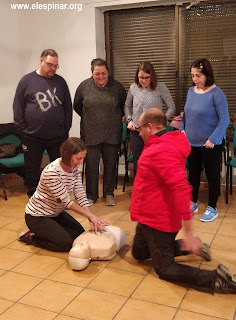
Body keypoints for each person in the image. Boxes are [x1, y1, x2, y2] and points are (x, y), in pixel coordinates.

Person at [130, 108, 236, 294]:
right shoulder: (162, 141)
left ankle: (217, 279)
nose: (138, 133)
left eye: (140, 128)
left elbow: (180, 189)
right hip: (146, 215)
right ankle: (189, 248)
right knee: (138, 253)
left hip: (159, 221)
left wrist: (189, 233)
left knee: (164, 269)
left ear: (150, 126)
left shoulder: (161, 149)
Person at [18, 137, 109, 252]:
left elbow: (80, 193)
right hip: (37, 217)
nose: (81, 162)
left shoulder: (73, 168)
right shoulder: (52, 172)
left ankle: (47, 232)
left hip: (56, 213)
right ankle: (32, 237)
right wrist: (90, 216)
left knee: (79, 235)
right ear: (67, 155)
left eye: (82, 158)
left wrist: (89, 215)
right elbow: (67, 202)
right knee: (66, 244)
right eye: (78, 159)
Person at [13, 49, 72, 198]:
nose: (53, 68)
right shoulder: (26, 81)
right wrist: (23, 131)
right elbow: (18, 108)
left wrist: (65, 129)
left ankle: (59, 198)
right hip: (32, 137)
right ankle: (34, 198)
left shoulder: (60, 82)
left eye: (56, 66)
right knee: (32, 170)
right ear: (41, 61)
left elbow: (67, 107)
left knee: (59, 169)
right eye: (50, 64)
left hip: (57, 137)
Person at [180, 58, 229, 222]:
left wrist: (213, 139)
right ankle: (192, 202)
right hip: (191, 143)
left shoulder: (217, 93)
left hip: (210, 144)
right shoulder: (191, 91)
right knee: (192, 174)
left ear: (207, 75)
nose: (195, 79)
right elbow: (186, 114)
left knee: (212, 176)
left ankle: (212, 207)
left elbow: (224, 120)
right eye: (193, 76)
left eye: (198, 76)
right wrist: (182, 131)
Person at [73, 58, 126, 206]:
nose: (101, 76)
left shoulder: (117, 87)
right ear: (92, 73)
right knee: (91, 166)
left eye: (104, 73)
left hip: (112, 133)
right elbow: (77, 106)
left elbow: (123, 105)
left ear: (108, 72)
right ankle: (91, 195)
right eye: (97, 74)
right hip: (90, 134)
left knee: (110, 165)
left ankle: (109, 194)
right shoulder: (84, 87)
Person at [124, 61, 175, 175]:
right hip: (137, 132)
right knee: (139, 163)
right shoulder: (133, 88)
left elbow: (171, 107)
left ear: (152, 76)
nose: (144, 80)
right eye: (141, 77)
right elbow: (127, 106)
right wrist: (129, 120)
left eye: (147, 78)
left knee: (155, 164)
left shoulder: (160, 87)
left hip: (155, 134)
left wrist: (161, 123)